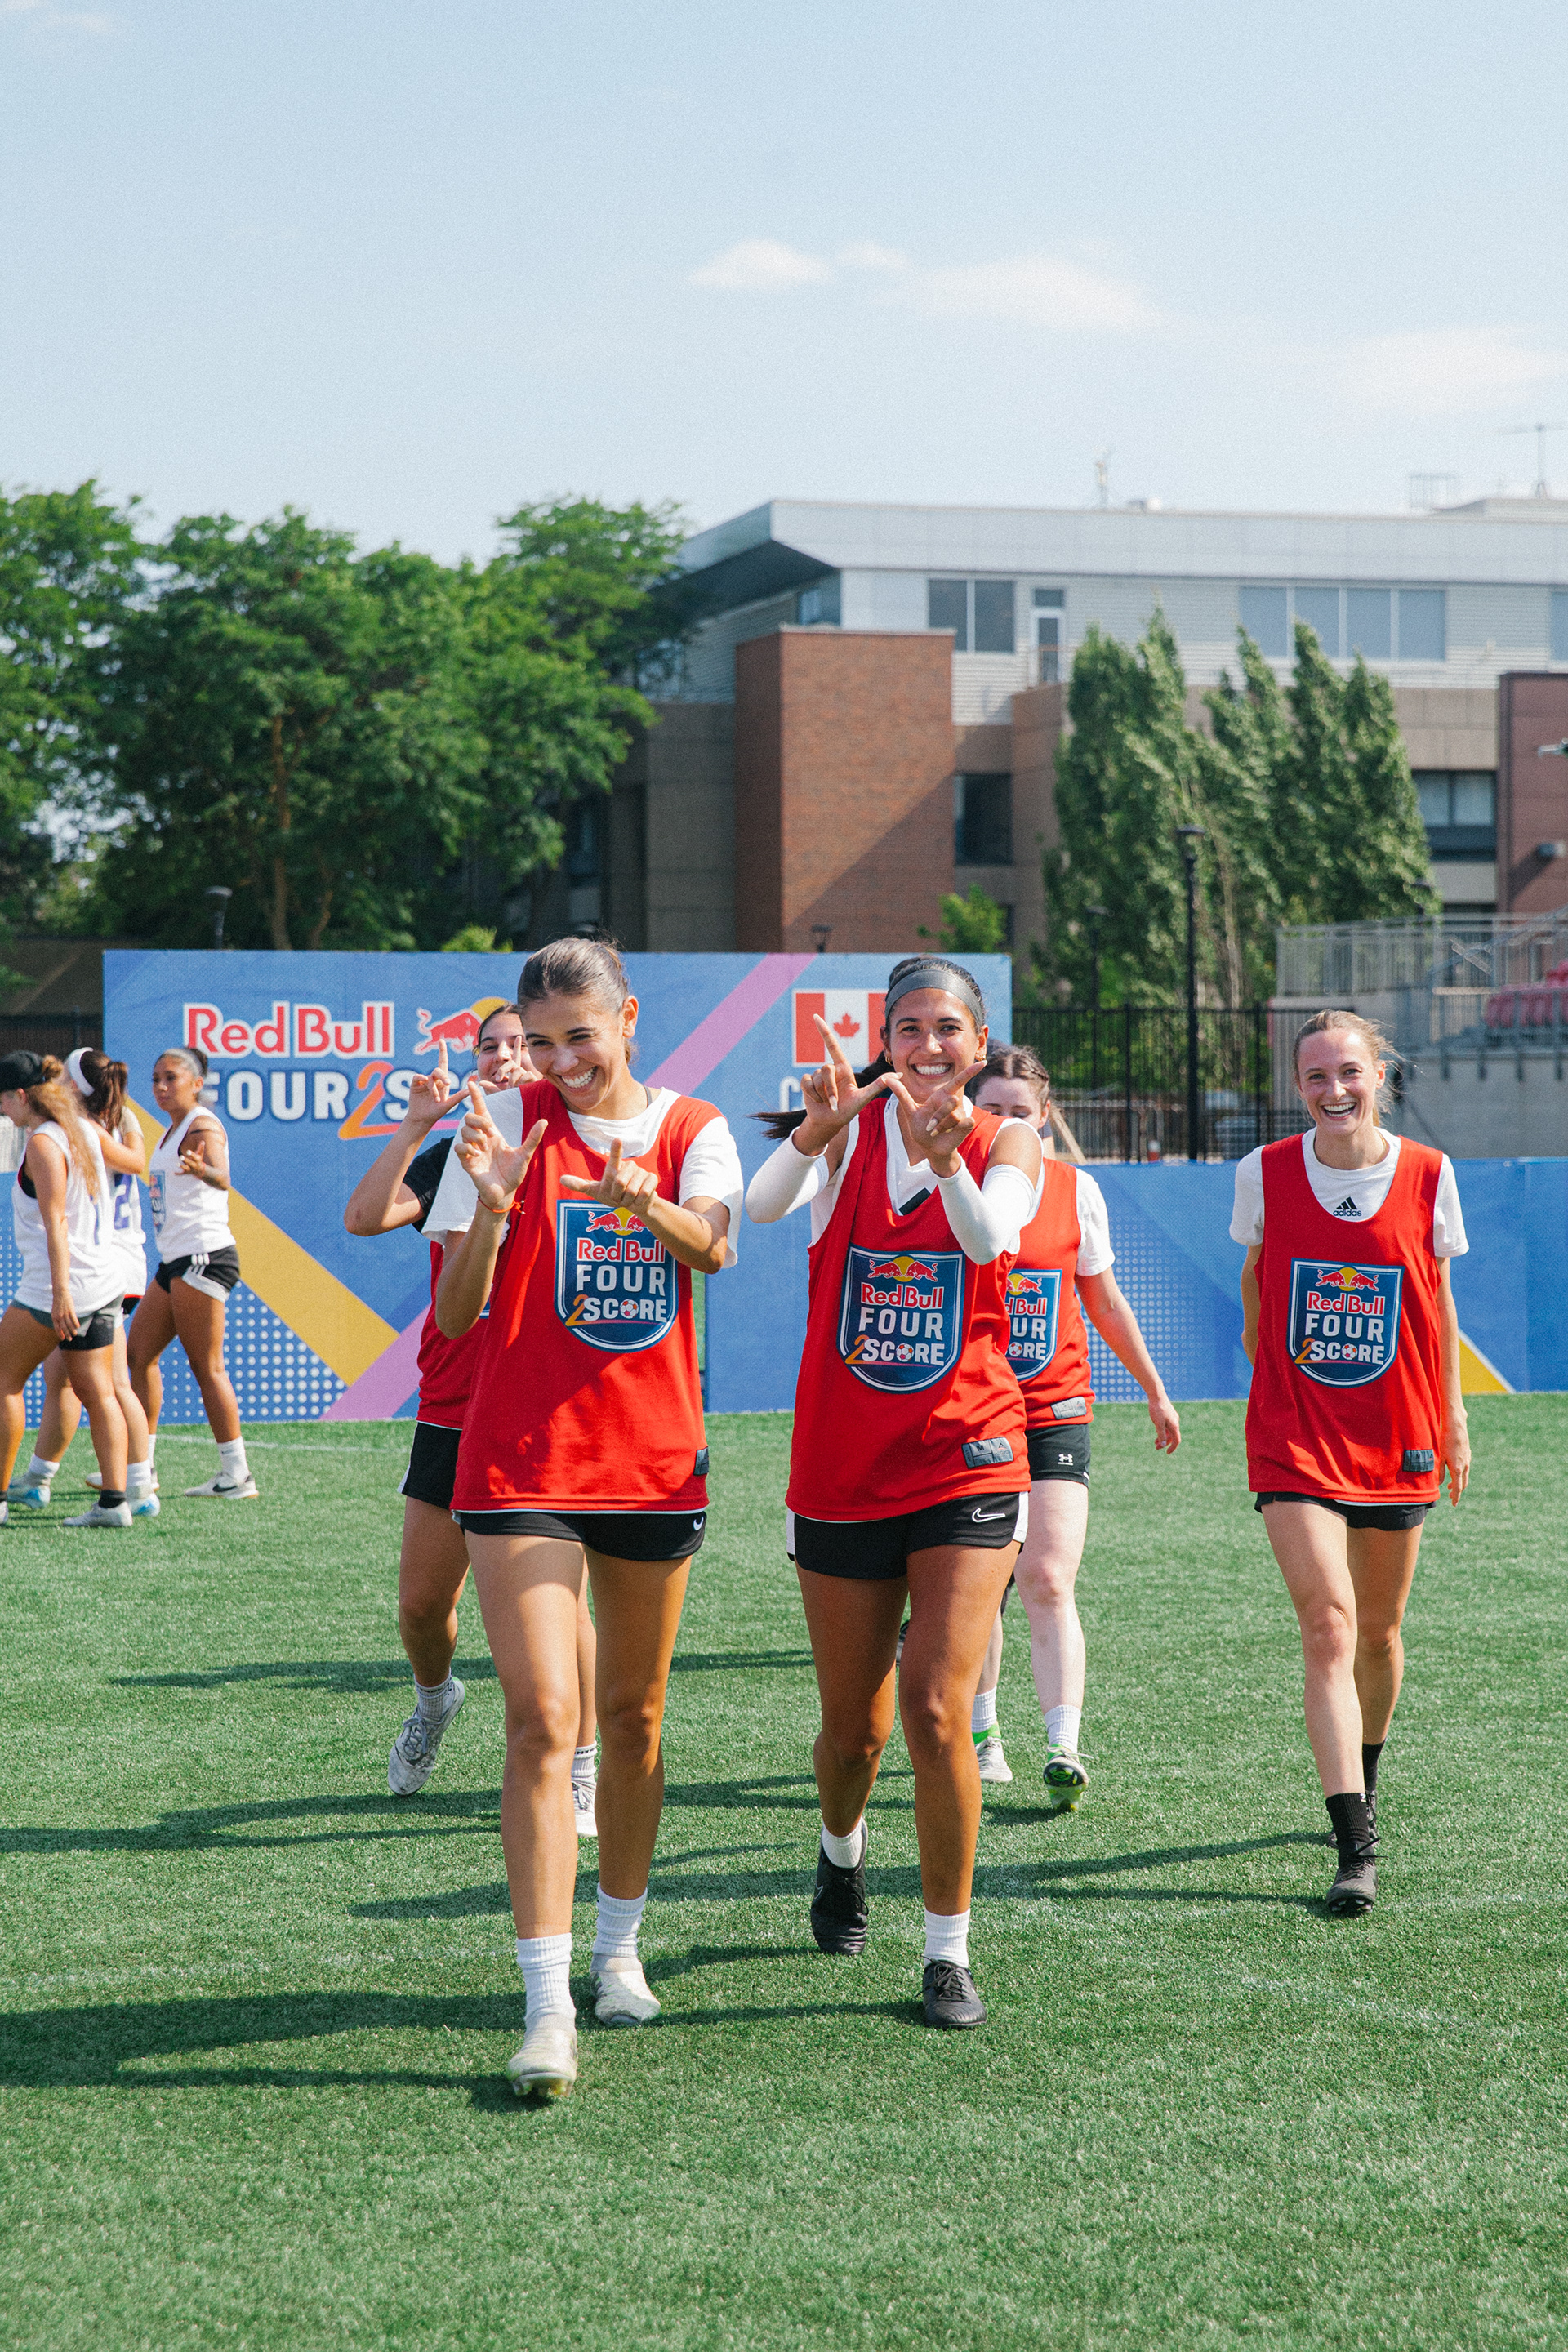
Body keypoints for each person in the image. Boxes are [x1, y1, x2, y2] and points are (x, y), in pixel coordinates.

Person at [437, 937, 742, 2100]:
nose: (560, 1060)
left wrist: (645, 1201)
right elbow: (462, 1318)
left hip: (653, 1468)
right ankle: (545, 2002)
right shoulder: (505, 1137)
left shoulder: (691, 1125)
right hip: (517, 1465)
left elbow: (714, 1246)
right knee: (541, 1720)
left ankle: (619, 1951)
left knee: (636, 1716)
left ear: (625, 1020)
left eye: (580, 1035)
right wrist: (494, 1205)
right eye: (542, 1038)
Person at [746, 956, 1041, 2033]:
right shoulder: (849, 1129)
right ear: (886, 1036)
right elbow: (756, 1209)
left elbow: (988, 1237)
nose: (926, 1044)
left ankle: (949, 1951)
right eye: (908, 1025)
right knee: (853, 1731)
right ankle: (840, 1857)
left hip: (969, 1456)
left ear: (977, 1039)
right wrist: (813, 1135)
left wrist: (945, 1158)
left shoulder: (1009, 1139)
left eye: (947, 1026)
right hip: (842, 1466)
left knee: (933, 1707)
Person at [1234, 1009, 1469, 1916]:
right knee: (1328, 1626)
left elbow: (1437, 1303)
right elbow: (1258, 1276)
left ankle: (1364, 1776)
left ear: (1381, 1074)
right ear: (1298, 1089)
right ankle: (1353, 1844)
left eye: (1349, 1073)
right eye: (1315, 1078)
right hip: (1294, 1433)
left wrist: (1450, 1415)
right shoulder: (1262, 1172)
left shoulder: (1429, 1174)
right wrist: (1269, 1361)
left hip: (1397, 1430)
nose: (1334, 1091)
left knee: (1378, 1630)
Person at [342, 1007, 599, 1822]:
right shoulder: (455, 1153)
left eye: (522, 1045)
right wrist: (418, 1121)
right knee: (422, 1606)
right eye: (489, 1047)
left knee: (564, 1607)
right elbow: (364, 1217)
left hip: (543, 1413)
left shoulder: (580, 1152)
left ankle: (584, 1767)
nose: (504, 1058)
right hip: (453, 1408)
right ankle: (434, 1701)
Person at [968, 1045, 1181, 1804]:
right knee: (980, 1590)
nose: (1006, 1124)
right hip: (972, 1413)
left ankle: (1064, 1743)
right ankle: (984, 1735)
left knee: (1049, 1576)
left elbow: (1105, 1299)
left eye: (1020, 1111)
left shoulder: (1074, 1192)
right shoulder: (947, 1187)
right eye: (990, 1109)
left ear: (1046, 1116)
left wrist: (1155, 1388)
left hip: (1054, 1408)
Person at [11, 1049, 159, 1518]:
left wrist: (60, 1291)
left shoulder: (65, 1133)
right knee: (90, 1384)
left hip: (81, 1275)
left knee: (88, 1383)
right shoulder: (103, 1126)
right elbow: (136, 1160)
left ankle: (133, 1485)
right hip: (109, 1270)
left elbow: (56, 1219)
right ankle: (118, 1492)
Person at [128, 1047, 255, 1501]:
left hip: (204, 1256)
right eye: (156, 1079)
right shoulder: (170, 1130)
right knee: (138, 1355)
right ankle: (141, 1468)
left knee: (208, 1367)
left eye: (172, 1078)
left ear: (197, 1082)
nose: (161, 1087)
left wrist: (208, 1171)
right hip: (175, 1260)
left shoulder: (202, 1125)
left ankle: (236, 1474)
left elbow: (222, 1174)